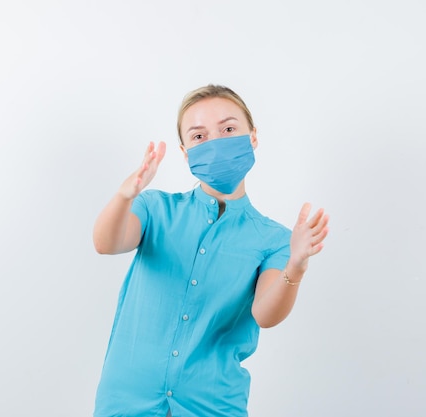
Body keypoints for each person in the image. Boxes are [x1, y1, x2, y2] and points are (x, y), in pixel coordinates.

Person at [92, 84, 329, 417]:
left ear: (253, 137)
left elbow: (266, 314)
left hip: (212, 407)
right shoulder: (155, 209)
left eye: (229, 129)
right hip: (127, 404)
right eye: (199, 136)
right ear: (185, 152)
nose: (216, 143)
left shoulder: (275, 240)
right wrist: (124, 196)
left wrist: (297, 266)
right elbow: (107, 242)